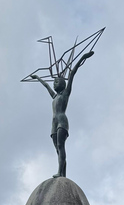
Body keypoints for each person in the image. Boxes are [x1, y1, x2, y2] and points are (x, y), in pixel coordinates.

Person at [30, 50, 94, 178]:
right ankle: (62, 173)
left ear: (63, 84)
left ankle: (60, 172)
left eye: (57, 82)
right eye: (54, 82)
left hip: (62, 121)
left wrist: (83, 57)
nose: (54, 84)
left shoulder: (65, 93)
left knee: (61, 145)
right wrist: (37, 78)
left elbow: (72, 73)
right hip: (53, 123)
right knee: (57, 150)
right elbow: (45, 85)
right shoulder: (54, 96)